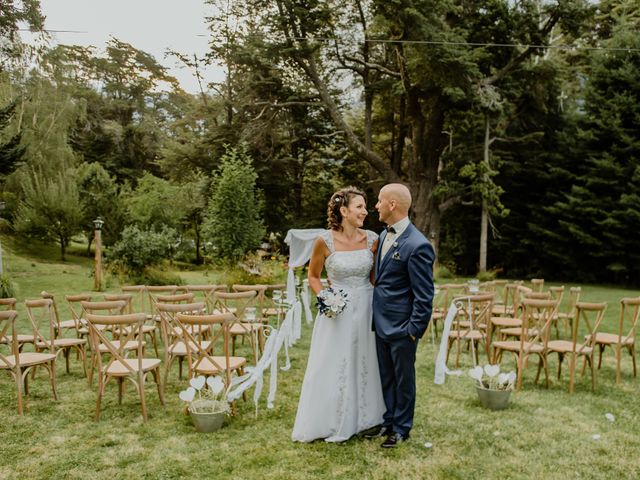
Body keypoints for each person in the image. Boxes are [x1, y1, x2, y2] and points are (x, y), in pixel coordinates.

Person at [292, 186, 385, 442]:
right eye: (359, 207)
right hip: (337, 310)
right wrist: (325, 297)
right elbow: (313, 276)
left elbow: (375, 279)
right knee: (333, 361)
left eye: (365, 207)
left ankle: (368, 417)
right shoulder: (324, 240)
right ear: (343, 211)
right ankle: (331, 418)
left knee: (366, 359)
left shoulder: (373, 240)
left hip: (366, 307)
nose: (365, 211)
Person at [365, 183, 435, 448]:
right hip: (381, 323)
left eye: (380, 201)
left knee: (404, 379)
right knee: (387, 376)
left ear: (392, 204)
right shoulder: (383, 236)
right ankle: (389, 420)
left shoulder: (418, 245)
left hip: (403, 327)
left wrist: (413, 329)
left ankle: (402, 428)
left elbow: (424, 295)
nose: (376, 206)